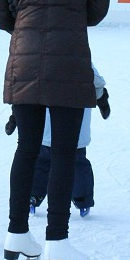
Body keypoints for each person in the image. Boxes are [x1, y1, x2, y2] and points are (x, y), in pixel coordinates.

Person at [0, 0, 109, 260]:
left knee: (27, 148)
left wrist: (26, 28)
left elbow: (0, 14)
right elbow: (96, 11)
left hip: (24, 61)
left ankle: (16, 236)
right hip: (68, 62)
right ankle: (56, 241)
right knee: (62, 152)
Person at [26, 68, 110, 218]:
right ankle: (36, 195)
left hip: (59, 122)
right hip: (66, 122)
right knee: (71, 161)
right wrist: (102, 97)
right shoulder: (78, 52)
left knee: (52, 160)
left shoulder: (43, 56)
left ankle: (79, 198)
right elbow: (96, 80)